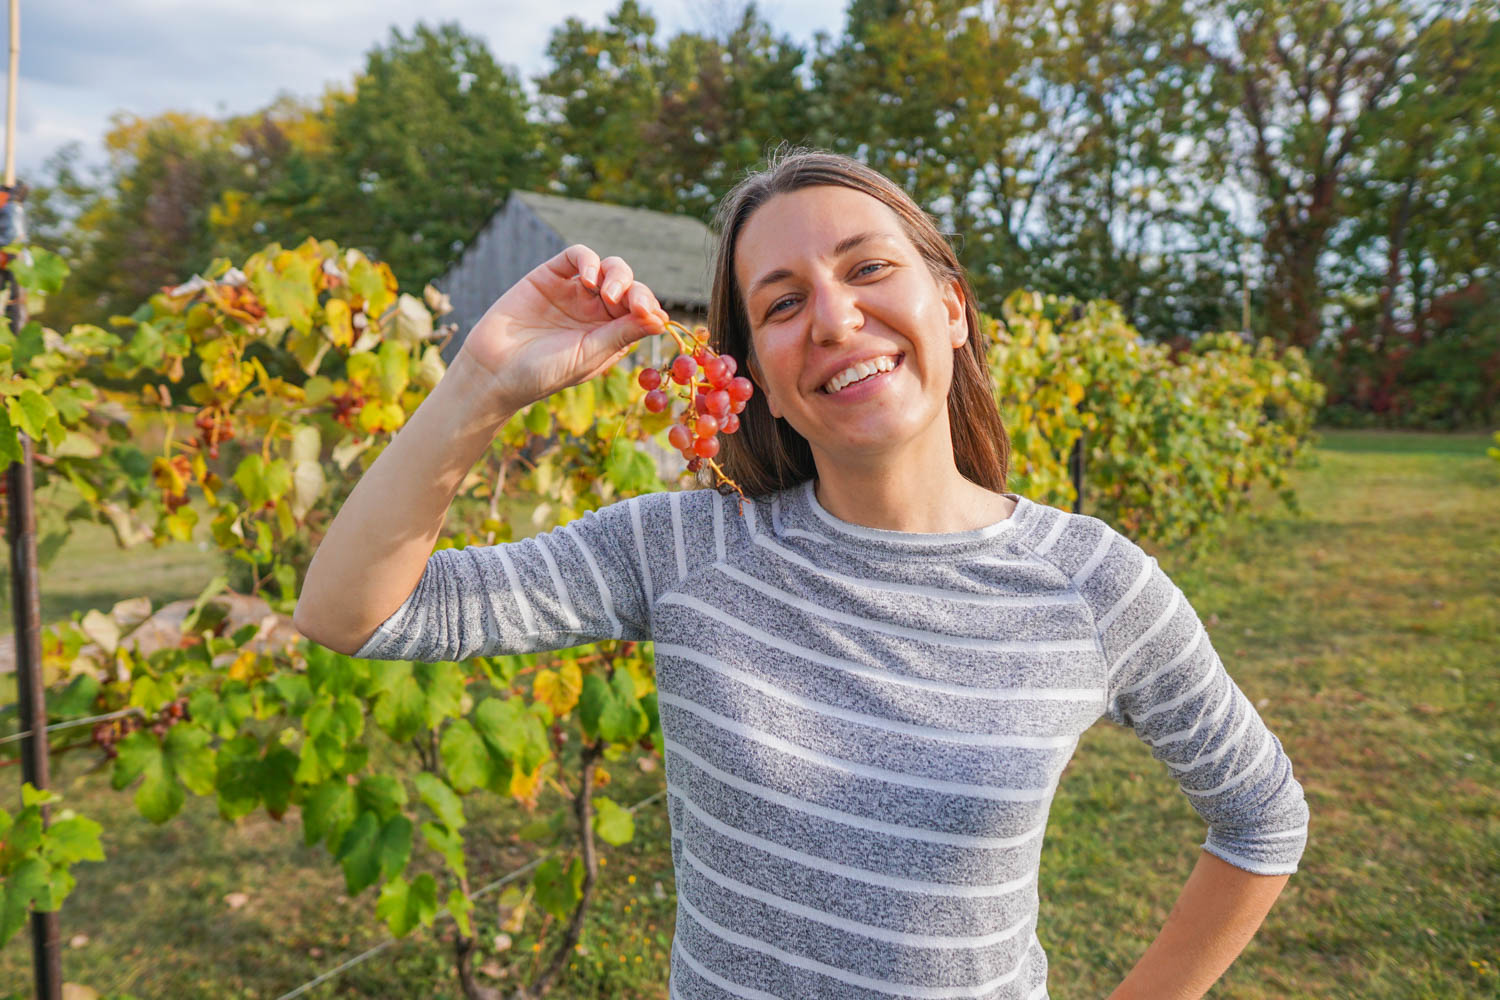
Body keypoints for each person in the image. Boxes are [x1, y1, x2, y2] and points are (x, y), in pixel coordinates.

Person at [294, 147, 1308, 1000]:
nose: (832, 318)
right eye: (782, 303)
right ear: (760, 384)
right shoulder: (685, 549)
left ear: (950, 308)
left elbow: (1263, 814)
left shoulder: (1094, 582)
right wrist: (482, 378)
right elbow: (352, 611)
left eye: (868, 269)